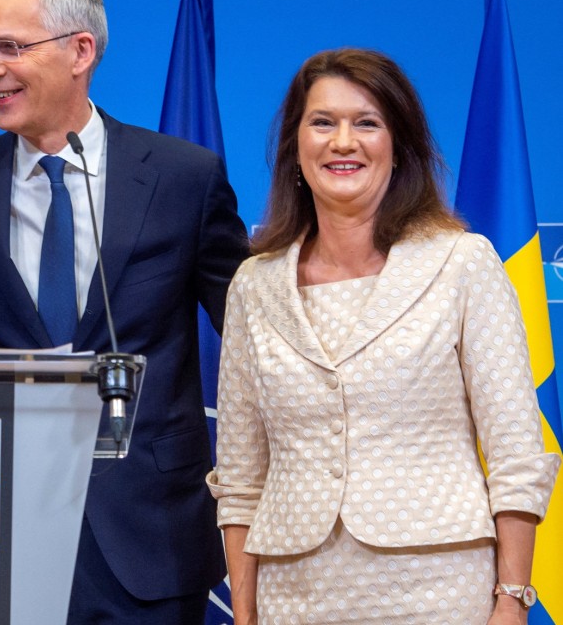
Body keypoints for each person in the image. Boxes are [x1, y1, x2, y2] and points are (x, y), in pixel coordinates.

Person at [0, 0, 248, 623]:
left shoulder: (183, 178)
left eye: (9, 48)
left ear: (79, 51)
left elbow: (255, 332)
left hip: (148, 537)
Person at [207, 48, 560, 625]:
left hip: (440, 592)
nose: (343, 141)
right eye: (322, 122)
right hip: (294, 597)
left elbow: (517, 456)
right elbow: (243, 479)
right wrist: (245, 613)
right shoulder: (254, 284)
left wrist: (511, 600)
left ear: (399, 146)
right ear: (296, 145)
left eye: (366, 123)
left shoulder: (461, 264)